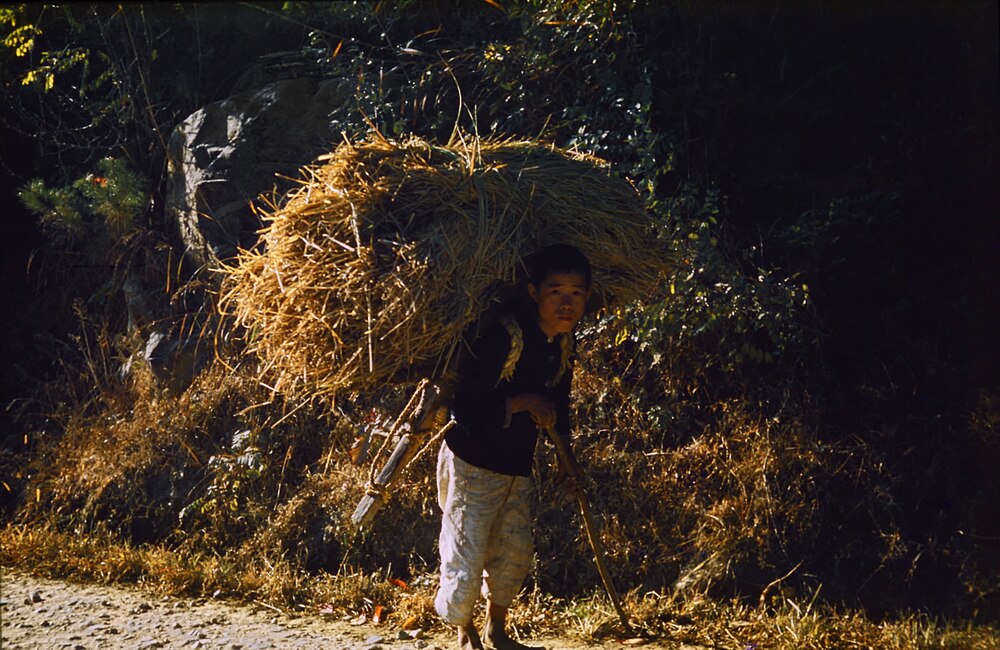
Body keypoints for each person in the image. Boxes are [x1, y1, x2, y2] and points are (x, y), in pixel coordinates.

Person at [435, 244, 592, 650]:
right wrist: (521, 402)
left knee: (514, 552)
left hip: (516, 461)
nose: (566, 303)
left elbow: (560, 407)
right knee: (466, 555)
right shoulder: (502, 336)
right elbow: (465, 409)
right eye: (556, 291)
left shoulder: (562, 343)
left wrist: (567, 460)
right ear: (532, 292)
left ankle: (496, 631)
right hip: (472, 460)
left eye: (576, 292)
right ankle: (465, 635)